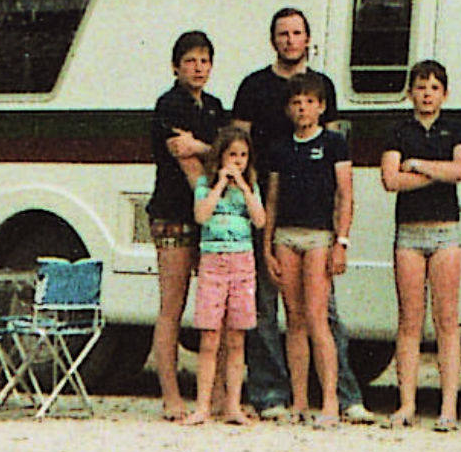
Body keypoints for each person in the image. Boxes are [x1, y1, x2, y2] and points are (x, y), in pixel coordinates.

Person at [232, 7, 374, 423]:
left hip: (315, 224)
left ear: (308, 39)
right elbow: (237, 142)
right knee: (266, 309)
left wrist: (340, 236)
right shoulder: (254, 87)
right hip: (265, 207)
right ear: (272, 39)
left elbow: (340, 172)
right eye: (283, 33)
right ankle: (273, 395)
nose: (290, 40)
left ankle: (343, 397)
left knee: (323, 313)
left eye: (297, 33)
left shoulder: (322, 85)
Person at [380, 60, 461, 431]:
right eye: (420, 87)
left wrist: (418, 166)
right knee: (409, 320)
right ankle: (406, 404)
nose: (427, 94)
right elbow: (390, 180)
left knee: (446, 319)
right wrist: (439, 173)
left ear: (444, 94)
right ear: (410, 93)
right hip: (409, 234)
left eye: (434, 88)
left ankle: (448, 407)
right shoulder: (398, 131)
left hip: (446, 232)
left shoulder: (456, 128)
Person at [262, 73, 354, 428]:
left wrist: (341, 242)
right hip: (285, 237)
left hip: (319, 237)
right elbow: (272, 199)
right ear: (289, 109)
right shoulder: (280, 148)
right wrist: (268, 246)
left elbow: (345, 195)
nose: (303, 109)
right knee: (294, 319)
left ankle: (330, 400)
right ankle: (299, 401)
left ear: (321, 107)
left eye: (309, 102)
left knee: (318, 317)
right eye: (296, 103)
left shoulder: (334, 144)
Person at [146, 30, 227, 421]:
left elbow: (231, 155)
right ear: (175, 66)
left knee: (217, 307)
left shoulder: (215, 108)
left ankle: (221, 395)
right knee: (173, 306)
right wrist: (206, 156)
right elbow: (188, 162)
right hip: (175, 214)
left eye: (204, 60)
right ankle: (171, 396)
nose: (198, 68)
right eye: (191, 60)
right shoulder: (169, 105)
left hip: (210, 216)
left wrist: (203, 146)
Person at [183, 126, 265, 426]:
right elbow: (201, 215)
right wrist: (219, 185)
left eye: (243, 155)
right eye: (232, 155)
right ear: (221, 156)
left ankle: (233, 406)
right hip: (213, 262)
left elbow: (260, 220)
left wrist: (244, 188)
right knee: (209, 336)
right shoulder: (205, 185)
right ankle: (203, 406)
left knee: (236, 337)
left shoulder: (250, 187)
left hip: (242, 263)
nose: (238, 160)